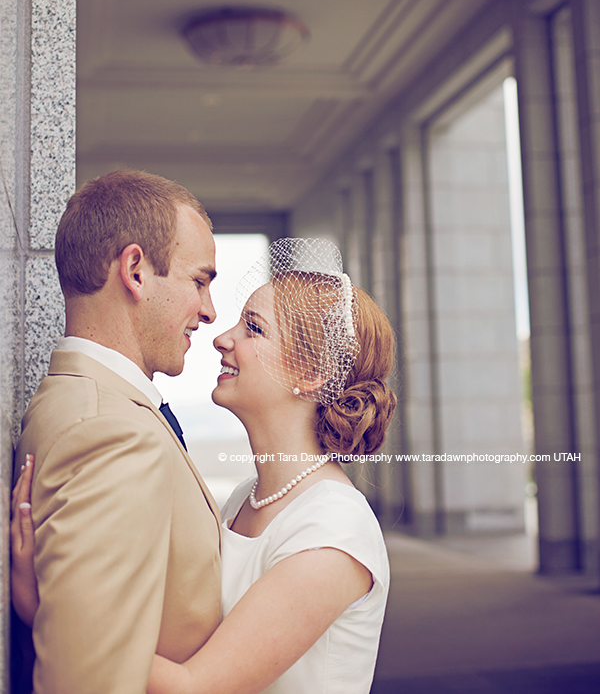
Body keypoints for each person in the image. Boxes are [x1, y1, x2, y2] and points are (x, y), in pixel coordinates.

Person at [13, 238, 397, 694]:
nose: (221, 338)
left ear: (311, 374)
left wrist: (47, 611)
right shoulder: (244, 499)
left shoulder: (335, 529)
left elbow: (197, 685)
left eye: (253, 329)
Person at [12, 170, 222, 694]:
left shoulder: (83, 405)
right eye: (199, 281)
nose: (210, 312)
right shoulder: (110, 433)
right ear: (135, 270)